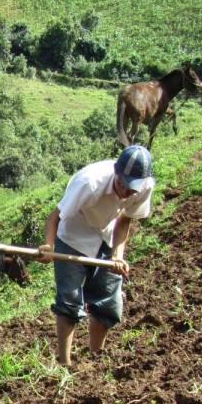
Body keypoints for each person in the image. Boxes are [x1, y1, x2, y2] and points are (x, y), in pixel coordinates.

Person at [37, 144, 154, 366]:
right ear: (116, 172)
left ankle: (96, 359)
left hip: (106, 236)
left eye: (132, 190)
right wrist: (48, 246)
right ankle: (65, 364)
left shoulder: (144, 187)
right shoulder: (89, 183)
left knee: (109, 303)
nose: (126, 192)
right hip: (73, 235)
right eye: (122, 184)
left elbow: (125, 220)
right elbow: (54, 217)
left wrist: (117, 256)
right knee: (69, 301)